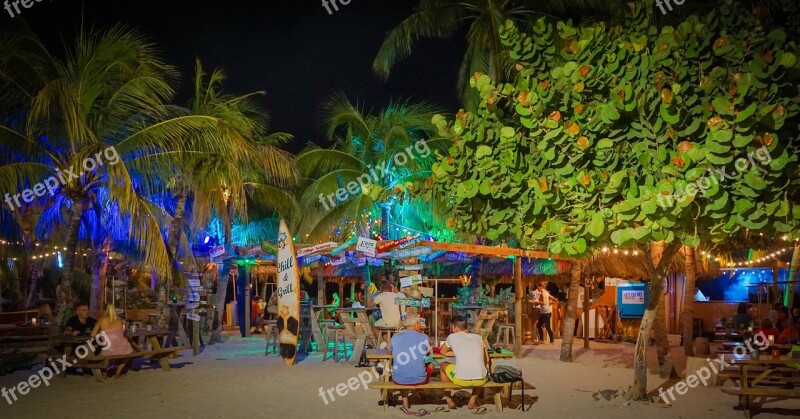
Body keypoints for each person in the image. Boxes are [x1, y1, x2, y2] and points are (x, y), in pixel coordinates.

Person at [439, 316, 490, 410]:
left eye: (452, 328)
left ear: (456, 328)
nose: (452, 330)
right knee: (480, 370)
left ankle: (448, 399)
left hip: (461, 379)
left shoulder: (452, 337)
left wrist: (457, 352)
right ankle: (472, 400)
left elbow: (442, 351)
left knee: (443, 365)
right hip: (481, 380)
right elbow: (486, 360)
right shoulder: (478, 337)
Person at [387, 313, 434, 412]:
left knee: (403, 368)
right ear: (417, 324)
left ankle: (405, 401)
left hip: (398, 378)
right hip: (419, 379)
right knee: (431, 363)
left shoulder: (396, 337)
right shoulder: (424, 337)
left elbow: (389, 351)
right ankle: (421, 392)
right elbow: (428, 353)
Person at [91, 304, 134, 379]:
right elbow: (122, 334)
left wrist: (101, 334)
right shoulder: (119, 322)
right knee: (129, 353)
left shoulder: (101, 320)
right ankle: (118, 373)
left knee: (102, 354)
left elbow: (93, 334)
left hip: (109, 347)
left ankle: (105, 373)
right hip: (123, 347)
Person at [368, 281, 404, 348]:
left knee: (373, 325)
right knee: (383, 328)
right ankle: (387, 345)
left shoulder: (380, 296)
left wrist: (369, 293)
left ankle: (382, 342)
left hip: (388, 322)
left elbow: (369, 305)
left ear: (381, 288)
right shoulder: (395, 295)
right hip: (398, 322)